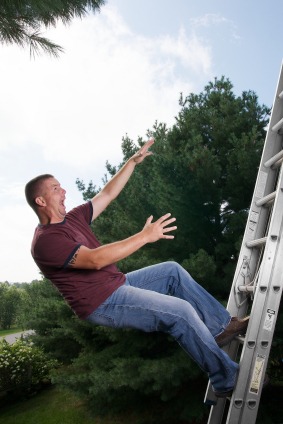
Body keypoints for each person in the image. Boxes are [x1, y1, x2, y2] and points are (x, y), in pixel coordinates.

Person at [25, 139, 249, 398]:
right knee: (181, 313)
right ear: (41, 200)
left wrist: (131, 162)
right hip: (102, 302)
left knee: (172, 271)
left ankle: (220, 328)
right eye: (56, 188)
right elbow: (95, 259)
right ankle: (227, 380)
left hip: (117, 284)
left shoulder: (72, 218)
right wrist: (144, 236)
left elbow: (107, 194)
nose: (63, 191)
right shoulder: (46, 242)